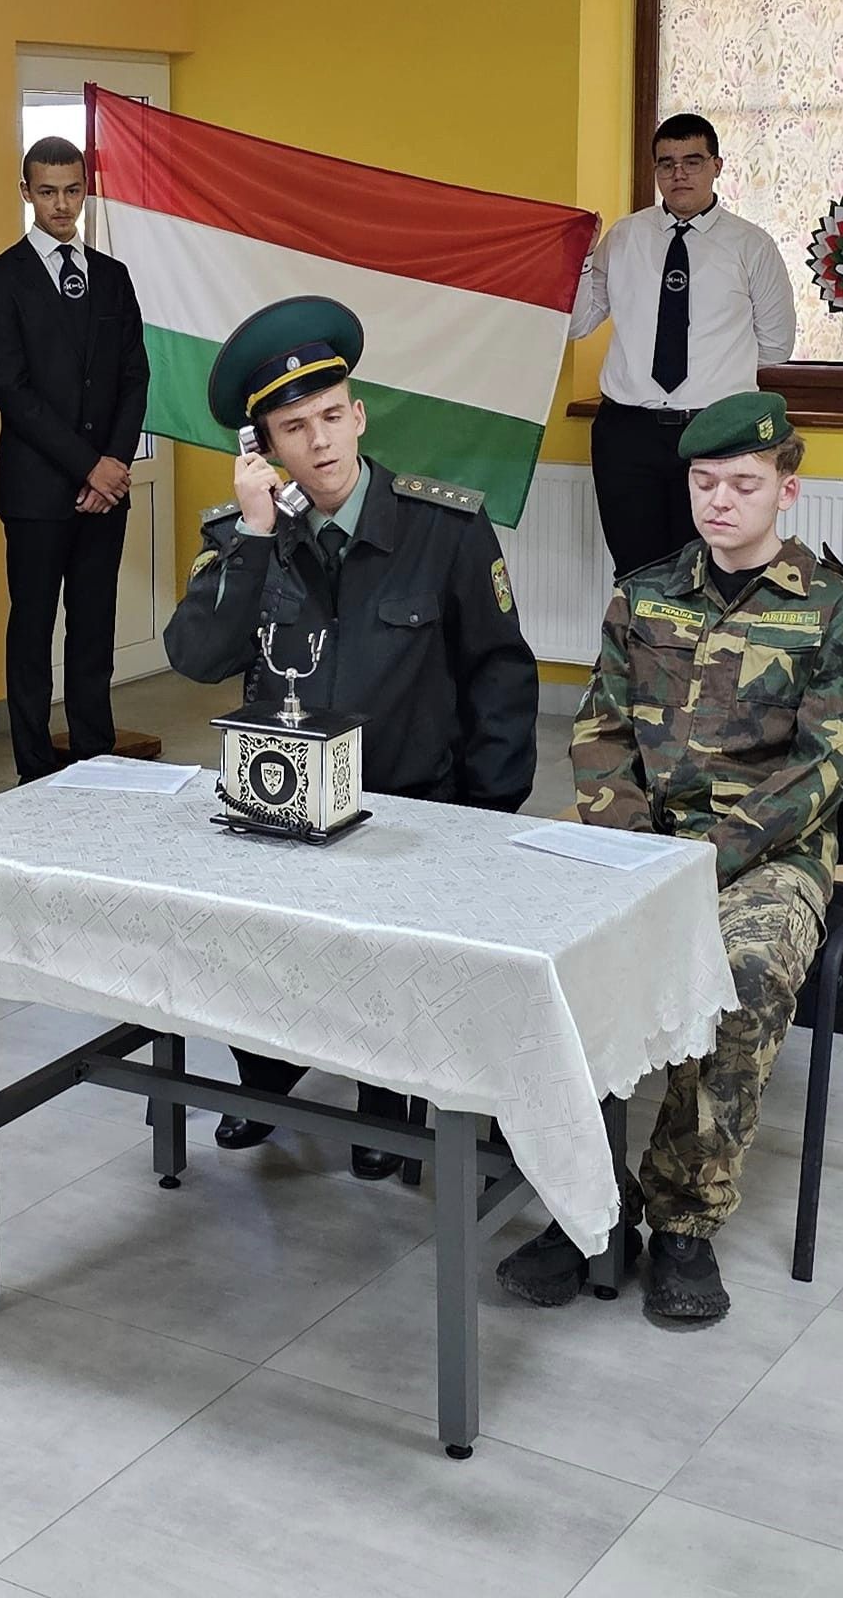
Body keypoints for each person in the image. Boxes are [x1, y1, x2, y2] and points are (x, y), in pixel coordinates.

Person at [498, 391, 843, 1322]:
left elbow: (823, 766)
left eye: (743, 484)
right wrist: (634, 846)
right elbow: (598, 730)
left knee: (738, 978)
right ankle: (591, 1206)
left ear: (787, 490)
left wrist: (707, 858)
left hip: (767, 854)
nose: (719, 501)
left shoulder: (836, 610)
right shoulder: (644, 592)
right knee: (538, 961)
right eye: (704, 482)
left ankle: (681, 1220)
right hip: (637, 839)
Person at [165, 295, 538, 1180]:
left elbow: (499, 674)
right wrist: (255, 537)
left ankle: (384, 1096)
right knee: (249, 936)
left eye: (332, 417)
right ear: (263, 447)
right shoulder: (245, 535)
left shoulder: (442, 527)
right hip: (281, 806)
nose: (321, 442)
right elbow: (195, 657)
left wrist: (483, 817)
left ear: (359, 415)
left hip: (411, 804)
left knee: (389, 958)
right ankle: (265, 1075)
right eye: (293, 429)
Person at [0, 137, 148, 784]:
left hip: (107, 487)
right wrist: (87, 466)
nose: (61, 204)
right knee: (32, 627)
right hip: (36, 489)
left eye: (72, 190)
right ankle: (33, 769)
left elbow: (134, 377)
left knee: (94, 627)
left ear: (85, 189)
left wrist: (114, 464)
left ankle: (95, 757)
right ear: (26, 192)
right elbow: (12, 391)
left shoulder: (112, 276)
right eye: (47, 191)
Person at [571, 114, 797, 579]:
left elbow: (776, 346)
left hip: (717, 434)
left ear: (717, 166)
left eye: (692, 161)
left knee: (713, 570)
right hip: (627, 434)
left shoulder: (751, 246)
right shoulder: (624, 238)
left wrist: (715, 374)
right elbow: (577, 324)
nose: (679, 174)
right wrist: (582, 257)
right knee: (636, 573)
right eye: (666, 163)